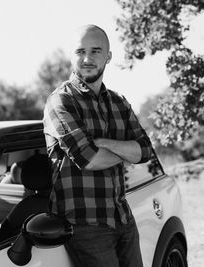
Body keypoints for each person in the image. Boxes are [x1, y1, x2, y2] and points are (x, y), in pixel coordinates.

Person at [43, 24, 152, 267]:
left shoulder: (118, 102)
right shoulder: (61, 101)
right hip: (85, 226)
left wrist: (105, 144)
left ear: (109, 56)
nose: (87, 58)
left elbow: (145, 151)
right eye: (80, 51)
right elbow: (89, 159)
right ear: (71, 56)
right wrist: (125, 151)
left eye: (95, 51)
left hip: (123, 217)